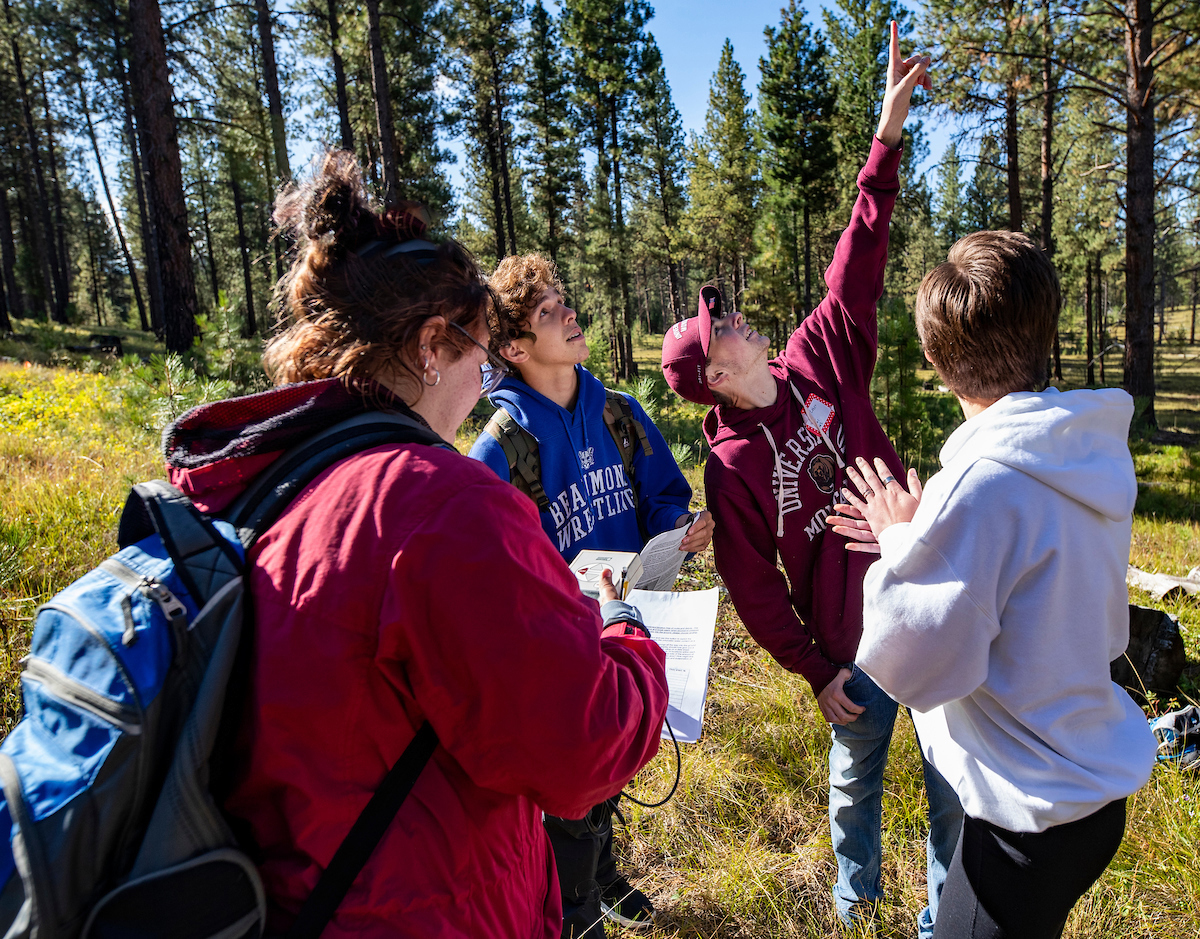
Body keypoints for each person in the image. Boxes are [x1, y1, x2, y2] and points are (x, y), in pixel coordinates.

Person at [161, 151, 670, 939]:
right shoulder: (441, 506)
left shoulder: (277, 480)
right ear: (433, 344)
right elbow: (580, 746)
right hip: (427, 905)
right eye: (476, 352)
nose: (484, 379)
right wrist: (626, 632)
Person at [660, 24, 961, 938]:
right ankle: (854, 908)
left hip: (924, 593)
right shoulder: (731, 467)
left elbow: (855, 264)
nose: (744, 321)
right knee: (853, 782)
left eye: (736, 315)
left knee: (951, 776)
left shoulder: (817, 359)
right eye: (727, 329)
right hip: (850, 646)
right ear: (713, 375)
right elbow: (751, 585)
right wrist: (813, 668)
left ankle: (945, 918)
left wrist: (887, 137)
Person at [833, 230, 1157, 939]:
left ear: (937, 362)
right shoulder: (1083, 451)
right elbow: (1025, 589)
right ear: (1045, 327)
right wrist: (931, 539)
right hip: (1090, 791)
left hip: (1026, 821)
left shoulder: (981, 488)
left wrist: (896, 539)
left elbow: (907, 660)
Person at [468, 252, 714, 936]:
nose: (571, 313)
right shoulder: (499, 449)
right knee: (570, 791)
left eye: (565, 301)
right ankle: (574, 910)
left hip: (630, 618)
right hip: (557, 649)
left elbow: (663, 493)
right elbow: (486, 568)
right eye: (550, 312)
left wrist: (677, 529)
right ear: (515, 347)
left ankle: (604, 876)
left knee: (611, 765)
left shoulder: (619, 412)